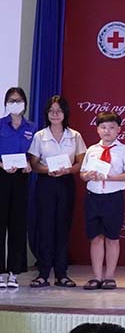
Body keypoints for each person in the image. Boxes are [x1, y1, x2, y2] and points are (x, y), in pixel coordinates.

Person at [27, 95, 87, 288]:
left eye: (59, 111)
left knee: (63, 227)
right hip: (46, 183)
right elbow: (34, 164)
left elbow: (81, 163)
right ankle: (43, 273)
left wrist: (68, 170)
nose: (55, 114)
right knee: (45, 227)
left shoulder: (74, 136)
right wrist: (48, 170)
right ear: (47, 113)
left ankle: (62, 274)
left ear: (65, 113)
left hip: (66, 183)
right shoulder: (40, 136)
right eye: (51, 111)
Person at [80, 112, 125, 291]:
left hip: (113, 197)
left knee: (112, 238)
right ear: (98, 129)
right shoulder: (91, 150)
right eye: (103, 127)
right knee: (95, 238)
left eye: (112, 127)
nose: (107, 131)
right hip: (93, 196)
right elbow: (82, 174)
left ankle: (109, 277)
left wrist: (111, 178)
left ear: (118, 129)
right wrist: (88, 175)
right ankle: (97, 277)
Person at [0, 87, 35, 289]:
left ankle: (14, 272)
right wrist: (1, 165)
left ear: (24, 103)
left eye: (19, 100)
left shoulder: (31, 127)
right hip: (2, 176)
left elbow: (33, 154)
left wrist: (29, 163)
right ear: (6, 103)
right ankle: (0, 272)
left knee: (17, 225)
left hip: (21, 178)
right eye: (11, 100)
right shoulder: (0, 125)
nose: (15, 103)